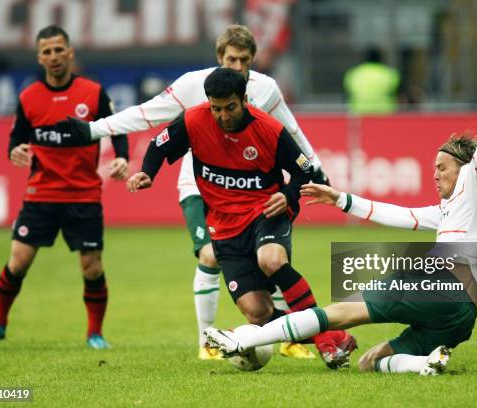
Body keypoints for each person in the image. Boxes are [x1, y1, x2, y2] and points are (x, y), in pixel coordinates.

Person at [55, 24, 328, 360]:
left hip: (253, 190)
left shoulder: (266, 90)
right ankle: (207, 341)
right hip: (200, 185)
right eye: (231, 59)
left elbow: (292, 131)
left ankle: (293, 335)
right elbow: (147, 115)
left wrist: (315, 171)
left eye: (244, 60)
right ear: (218, 58)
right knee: (210, 255)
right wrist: (94, 130)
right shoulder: (192, 86)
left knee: (272, 260)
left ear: (253, 60)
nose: (238, 67)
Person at [206, 82, 477, 375]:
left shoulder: (476, 183)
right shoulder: (449, 211)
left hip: (436, 288)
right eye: (433, 168)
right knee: (371, 361)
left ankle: (243, 340)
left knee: (338, 314)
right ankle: (424, 364)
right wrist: (341, 200)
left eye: (441, 167)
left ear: (465, 169)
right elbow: (399, 214)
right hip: (460, 319)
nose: (434, 175)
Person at [127, 68, 357, 369]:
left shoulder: (269, 129)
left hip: (266, 211)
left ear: (245, 100)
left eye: (230, 107)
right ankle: (332, 333)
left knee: (271, 260)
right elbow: (159, 144)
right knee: (257, 312)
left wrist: (288, 195)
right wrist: (147, 172)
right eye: (216, 108)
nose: (223, 115)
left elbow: (305, 170)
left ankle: (327, 343)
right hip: (223, 225)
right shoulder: (194, 119)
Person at [0, 25, 129, 350]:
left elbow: (117, 128)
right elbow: (17, 138)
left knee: (92, 267)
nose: (54, 56)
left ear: (70, 52)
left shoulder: (93, 93)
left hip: (84, 196)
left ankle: (94, 334)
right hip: (41, 196)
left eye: (59, 49)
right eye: (47, 51)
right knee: (17, 262)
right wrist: (14, 150)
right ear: (39, 57)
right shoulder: (29, 97)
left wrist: (123, 158)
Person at [343, 48, 400, 114]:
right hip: (384, 112)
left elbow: (348, 92)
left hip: (359, 112)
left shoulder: (354, 73)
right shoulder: (388, 73)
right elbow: (396, 93)